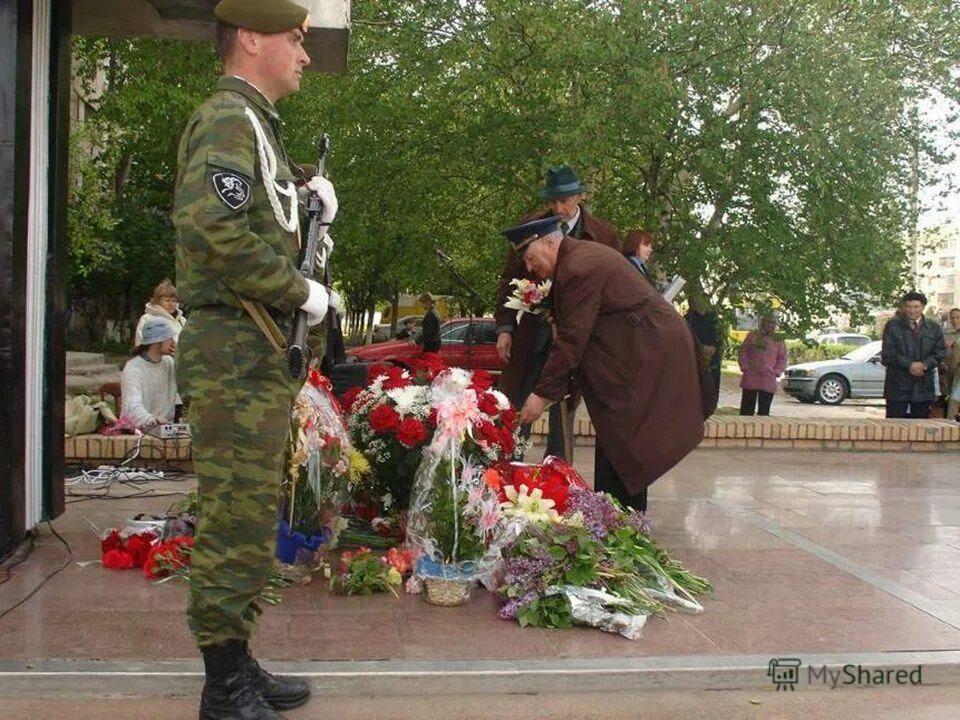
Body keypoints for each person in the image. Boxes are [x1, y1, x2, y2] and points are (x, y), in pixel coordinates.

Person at [171, 1, 341, 717]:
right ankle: (222, 687)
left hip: (254, 352)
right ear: (249, 37)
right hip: (235, 350)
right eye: (295, 40)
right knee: (235, 522)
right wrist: (298, 289)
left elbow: (254, 220)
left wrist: (308, 204)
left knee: (249, 518)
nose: (304, 55)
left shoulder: (257, 129)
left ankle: (237, 659)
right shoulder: (226, 120)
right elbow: (212, 231)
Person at [512, 216, 704, 513]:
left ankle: (624, 523)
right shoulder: (576, 259)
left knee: (627, 443)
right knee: (618, 441)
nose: (528, 267)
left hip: (649, 354)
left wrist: (541, 394)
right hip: (636, 355)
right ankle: (615, 520)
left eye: (529, 257)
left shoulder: (578, 267)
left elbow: (573, 339)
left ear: (550, 243)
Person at [495, 165, 620, 461]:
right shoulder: (529, 227)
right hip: (532, 336)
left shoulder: (602, 234)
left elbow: (612, 287)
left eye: (565, 200)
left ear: (580, 196)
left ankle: (558, 478)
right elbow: (508, 280)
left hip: (577, 338)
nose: (558, 208)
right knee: (520, 405)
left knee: (562, 413)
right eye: (553, 201)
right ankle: (508, 468)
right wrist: (505, 328)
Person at [881, 291, 946, 419]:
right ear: (904, 307)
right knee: (894, 428)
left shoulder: (934, 327)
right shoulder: (893, 326)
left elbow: (940, 352)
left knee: (920, 429)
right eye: (908, 306)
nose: (912, 310)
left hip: (923, 386)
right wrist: (909, 365)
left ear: (922, 307)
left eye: (916, 307)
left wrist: (925, 365)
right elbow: (887, 353)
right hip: (897, 386)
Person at [121, 317, 178, 429]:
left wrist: (181, 360)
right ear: (157, 343)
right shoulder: (133, 368)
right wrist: (151, 419)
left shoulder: (169, 362)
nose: (173, 341)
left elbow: (187, 385)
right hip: (139, 430)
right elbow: (132, 405)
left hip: (165, 428)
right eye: (169, 338)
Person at [738, 315, 787, 416]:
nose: (771, 325)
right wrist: (744, 366)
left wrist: (776, 372)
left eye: (773, 323)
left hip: (768, 378)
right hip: (751, 376)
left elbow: (782, 358)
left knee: (764, 411)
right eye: (769, 322)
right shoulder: (753, 335)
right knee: (747, 410)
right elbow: (743, 351)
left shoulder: (778, 339)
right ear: (763, 323)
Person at [685, 291, 723, 409]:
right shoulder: (687, 320)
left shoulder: (715, 320)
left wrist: (715, 349)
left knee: (710, 394)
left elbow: (720, 340)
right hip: (694, 362)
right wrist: (701, 348)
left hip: (712, 363)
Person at [134, 279, 187, 346]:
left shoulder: (182, 321)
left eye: (173, 301)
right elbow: (140, 344)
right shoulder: (147, 319)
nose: (171, 304)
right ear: (157, 301)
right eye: (167, 301)